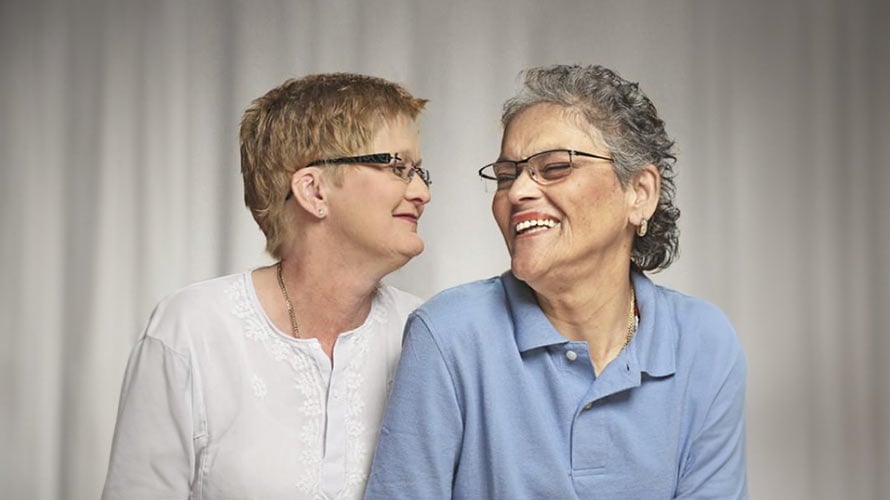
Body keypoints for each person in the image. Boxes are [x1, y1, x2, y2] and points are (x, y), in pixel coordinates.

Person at [365, 64, 747, 499]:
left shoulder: (704, 341)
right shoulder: (449, 334)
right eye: (507, 175)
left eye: (555, 167)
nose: (518, 192)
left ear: (639, 192)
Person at [102, 73, 431, 499]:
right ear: (314, 191)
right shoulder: (191, 331)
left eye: (419, 171)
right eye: (397, 166)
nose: (422, 192)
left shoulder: (426, 332)